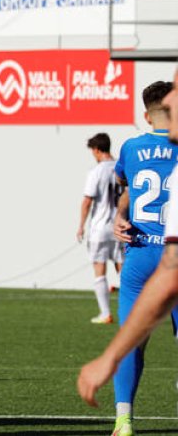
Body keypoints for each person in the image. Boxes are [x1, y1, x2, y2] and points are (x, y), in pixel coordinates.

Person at [79, 74, 178, 432]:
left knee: (132, 340)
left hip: (139, 255)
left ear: (147, 115)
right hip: (172, 255)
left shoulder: (133, 149)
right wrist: (122, 212)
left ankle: (123, 420)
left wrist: (121, 213)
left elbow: (130, 189)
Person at [78, 133, 122, 324]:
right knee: (124, 270)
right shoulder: (121, 167)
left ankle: (105, 314)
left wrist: (81, 226)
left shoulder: (96, 171)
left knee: (99, 269)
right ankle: (133, 311)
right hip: (120, 226)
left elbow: (87, 201)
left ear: (96, 150)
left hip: (100, 228)